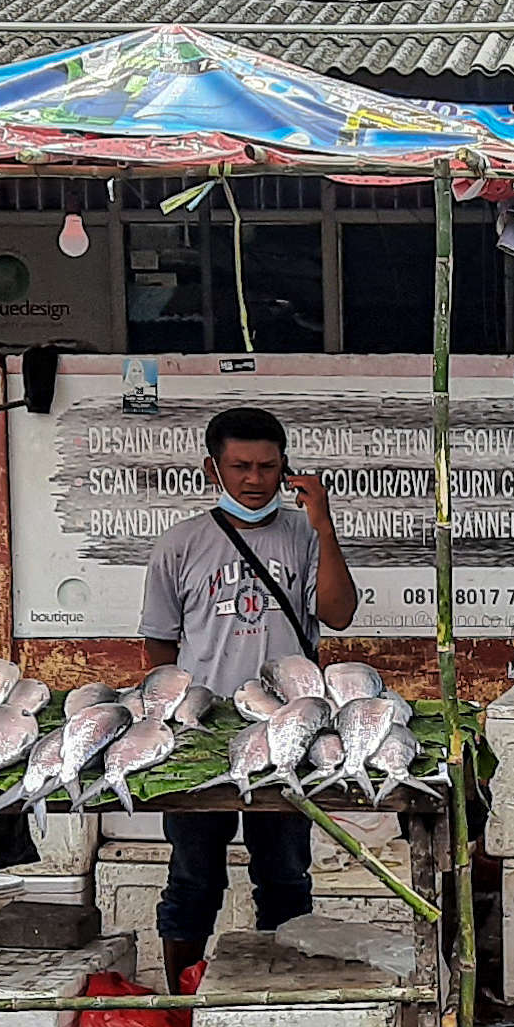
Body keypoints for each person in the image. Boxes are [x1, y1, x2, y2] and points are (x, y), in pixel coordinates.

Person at [139, 405, 360, 991]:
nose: (254, 479)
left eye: (267, 466)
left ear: (285, 468)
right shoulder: (180, 543)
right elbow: (158, 643)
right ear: (214, 467)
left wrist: (322, 520)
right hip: (202, 735)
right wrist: (176, 714)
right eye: (240, 466)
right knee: (193, 879)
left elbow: (338, 614)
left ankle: (278, 996)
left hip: (288, 729)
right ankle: (182, 1008)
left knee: (285, 877)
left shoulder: (304, 534)